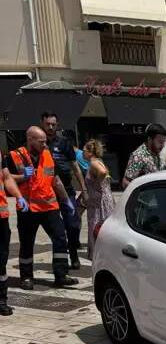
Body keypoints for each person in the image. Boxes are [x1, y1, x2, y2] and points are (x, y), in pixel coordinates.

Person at [7, 126, 77, 290]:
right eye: (41, 142)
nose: (45, 145)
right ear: (30, 140)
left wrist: (66, 201)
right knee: (26, 243)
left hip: (49, 206)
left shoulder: (47, 154)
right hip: (28, 208)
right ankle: (26, 277)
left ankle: (61, 275)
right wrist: (23, 176)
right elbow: (6, 180)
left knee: (60, 239)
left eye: (46, 142)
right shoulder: (15, 156)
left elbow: (55, 179)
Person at [41, 113, 87, 270]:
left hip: (67, 191)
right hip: (48, 193)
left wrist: (84, 189)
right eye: (48, 124)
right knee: (57, 230)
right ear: (42, 123)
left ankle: (73, 252)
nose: (51, 127)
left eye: (53, 124)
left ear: (57, 124)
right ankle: (61, 262)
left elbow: (75, 167)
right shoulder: (38, 143)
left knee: (73, 224)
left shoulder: (64, 143)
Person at [0, 165, 26, 315]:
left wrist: (19, 196)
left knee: (1, 261)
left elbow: (7, 178)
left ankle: (2, 299)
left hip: (1, 219)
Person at [82, 140, 114, 258]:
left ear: (90, 153)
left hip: (98, 201)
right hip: (103, 198)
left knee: (96, 224)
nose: (82, 153)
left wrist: (96, 185)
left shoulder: (94, 163)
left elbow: (103, 172)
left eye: (84, 151)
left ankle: (97, 254)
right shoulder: (99, 161)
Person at [123, 123, 166, 188]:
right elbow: (125, 183)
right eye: (160, 142)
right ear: (150, 140)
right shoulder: (139, 156)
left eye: (163, 142)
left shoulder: (155, 152)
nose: (162, 146)